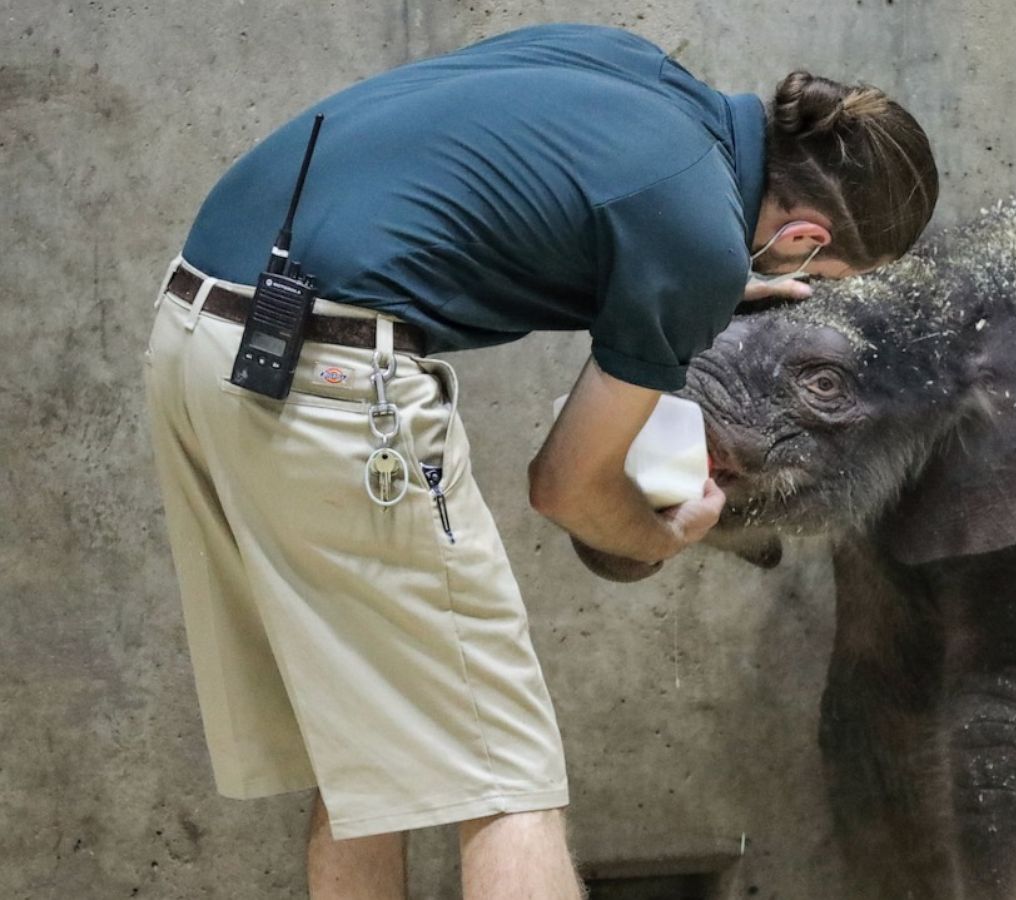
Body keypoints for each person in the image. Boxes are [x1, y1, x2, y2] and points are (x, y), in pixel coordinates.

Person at [143, 22, 937, 900]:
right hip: (332, 375)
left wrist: (699, 277)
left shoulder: (632, 71)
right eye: (823, 280)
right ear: (805, 241)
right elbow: (563, 487)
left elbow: (541, 185)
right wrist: (665, 532)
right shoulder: (693, 237)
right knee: (506, 778)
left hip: (201, 336)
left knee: (368, 747)